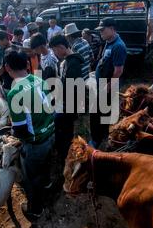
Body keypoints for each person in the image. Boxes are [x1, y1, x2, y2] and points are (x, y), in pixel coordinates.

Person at [5, 50, 55, 220]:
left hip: (35, 144)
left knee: (31, 178)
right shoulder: (40, 80)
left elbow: (20, 129)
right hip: (50, 133)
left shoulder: (14, 93)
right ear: (27, 64)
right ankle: (48, 185)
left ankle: (35, 210)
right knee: (46, 165)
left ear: (7, 68)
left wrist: (12, 132)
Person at [90, 18, 127, 149]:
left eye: (103, 30)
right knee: (102, 112)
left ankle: (95, 140)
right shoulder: (109, 42)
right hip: (102, 83)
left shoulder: (118, 46)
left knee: (96, 112)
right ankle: (104, 133)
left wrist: (108, 87)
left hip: (107, 85)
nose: (101, 33)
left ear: (112, 29)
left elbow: (118, 71)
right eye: (99, 30)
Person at [49, 35, 83, 162]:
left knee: (65, 134)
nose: (54, 53)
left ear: (61, 47)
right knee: (64, 132)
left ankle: (66, 158)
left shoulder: (73, 64)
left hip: (68, 107)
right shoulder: (68, 61)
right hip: (65, 105)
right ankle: (64, 154)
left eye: (54, 50)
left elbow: (73, 90)